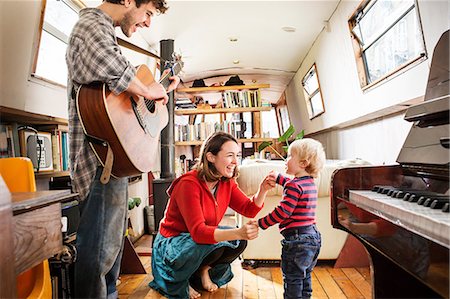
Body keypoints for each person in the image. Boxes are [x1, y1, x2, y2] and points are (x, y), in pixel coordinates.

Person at [66, 0, 180, 297]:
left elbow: (121, 92)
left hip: (110, 160)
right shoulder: (91, 25)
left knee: (110, 257)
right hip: (99, 163)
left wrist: (159, 89)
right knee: (99, 261)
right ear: (129, 0)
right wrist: (148, 89)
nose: (147, 23)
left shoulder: (103, 32)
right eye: (148, 13)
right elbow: (112, 68)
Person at [149, 132, 275, 299]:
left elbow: (248, 209)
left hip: (196, 240)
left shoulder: (226, 182)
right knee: (214, 240)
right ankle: (182, 280)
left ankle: (203, 269)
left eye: (236, 155)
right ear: (210, 157)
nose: (235, 161)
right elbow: (199, 232)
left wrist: (263, 189)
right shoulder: (188, 184)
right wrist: (238, 231)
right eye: (230, 155)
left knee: (237, 242)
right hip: (173, 241)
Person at [258, 138, 326, 299]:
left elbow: (283, 212)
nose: (286, 159)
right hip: (313, 238)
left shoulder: (294, 187)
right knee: (305, 275)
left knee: (292, 279)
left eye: (290, 156)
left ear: (303, 163)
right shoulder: (309, 183)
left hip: (297, 240)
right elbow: (293, 184)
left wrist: (262, 223)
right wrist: (280, 178)